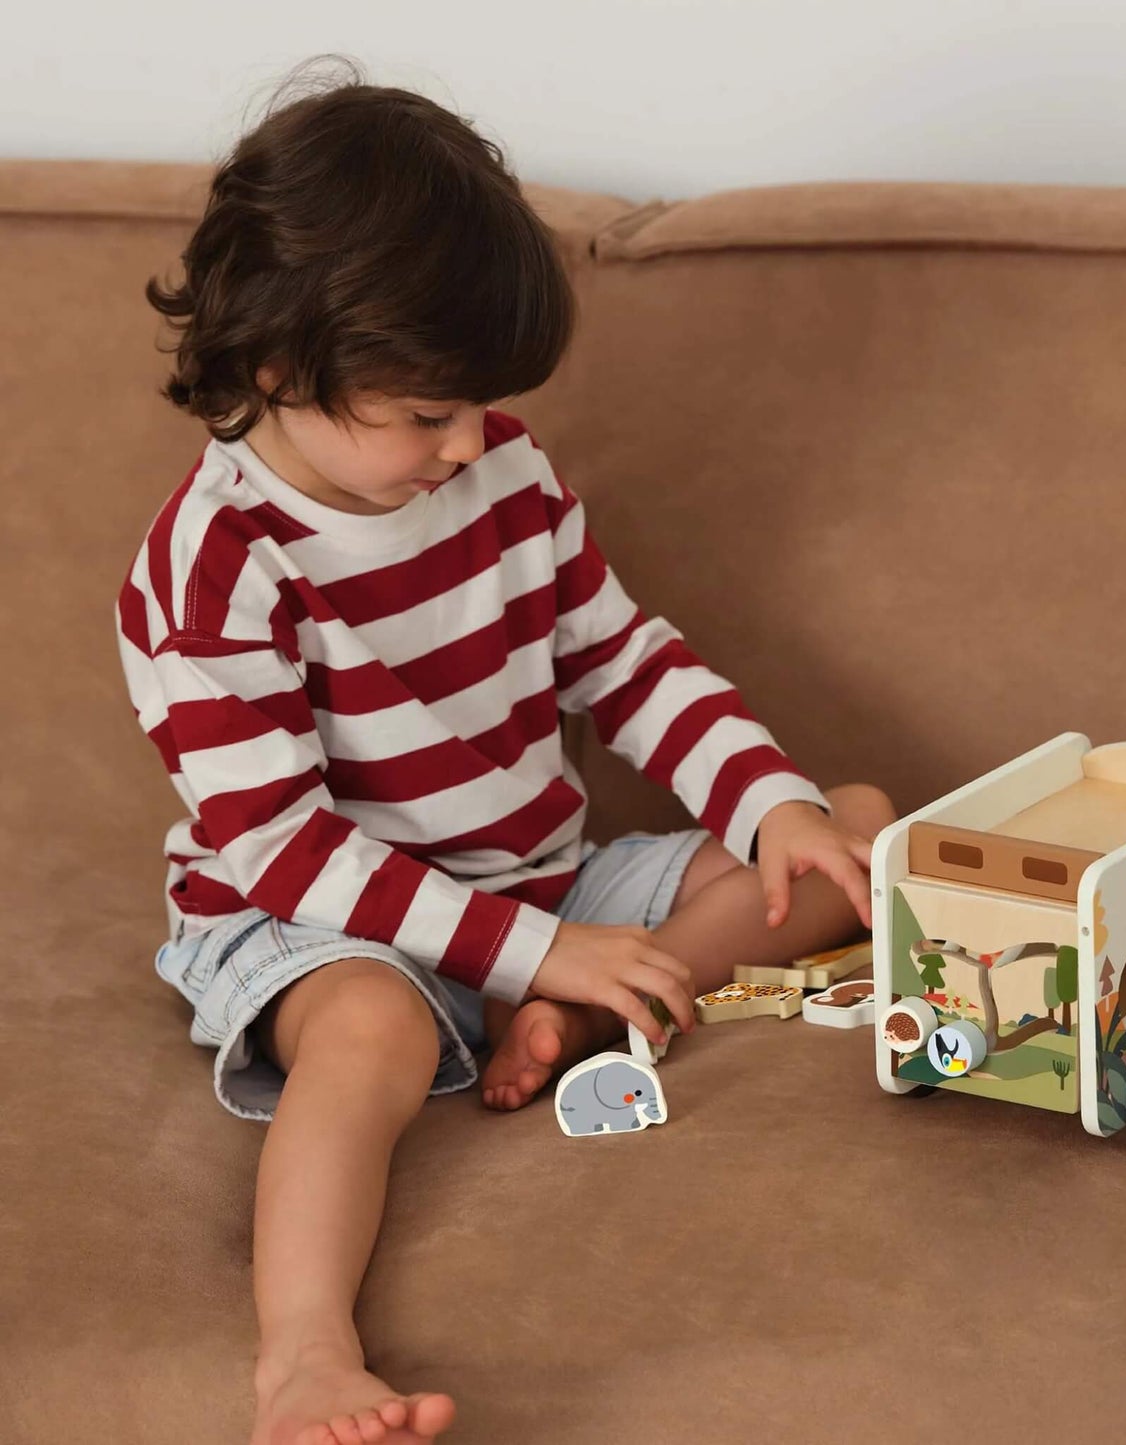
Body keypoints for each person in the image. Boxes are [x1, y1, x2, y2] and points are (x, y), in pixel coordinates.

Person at [116, 59, 896, 1445]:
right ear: (285, 365)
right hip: (313, 922)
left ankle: (593, 1014)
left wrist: (768, 806)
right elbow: (284, 846)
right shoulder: (215, 565)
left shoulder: (506, 480)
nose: (465, 443)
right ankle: (302, 1354)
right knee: (372, 1021)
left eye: (474, 407)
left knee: (854, 830)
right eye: (428, 414)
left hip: (540, 886)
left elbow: (626, 664)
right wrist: (531, 950)